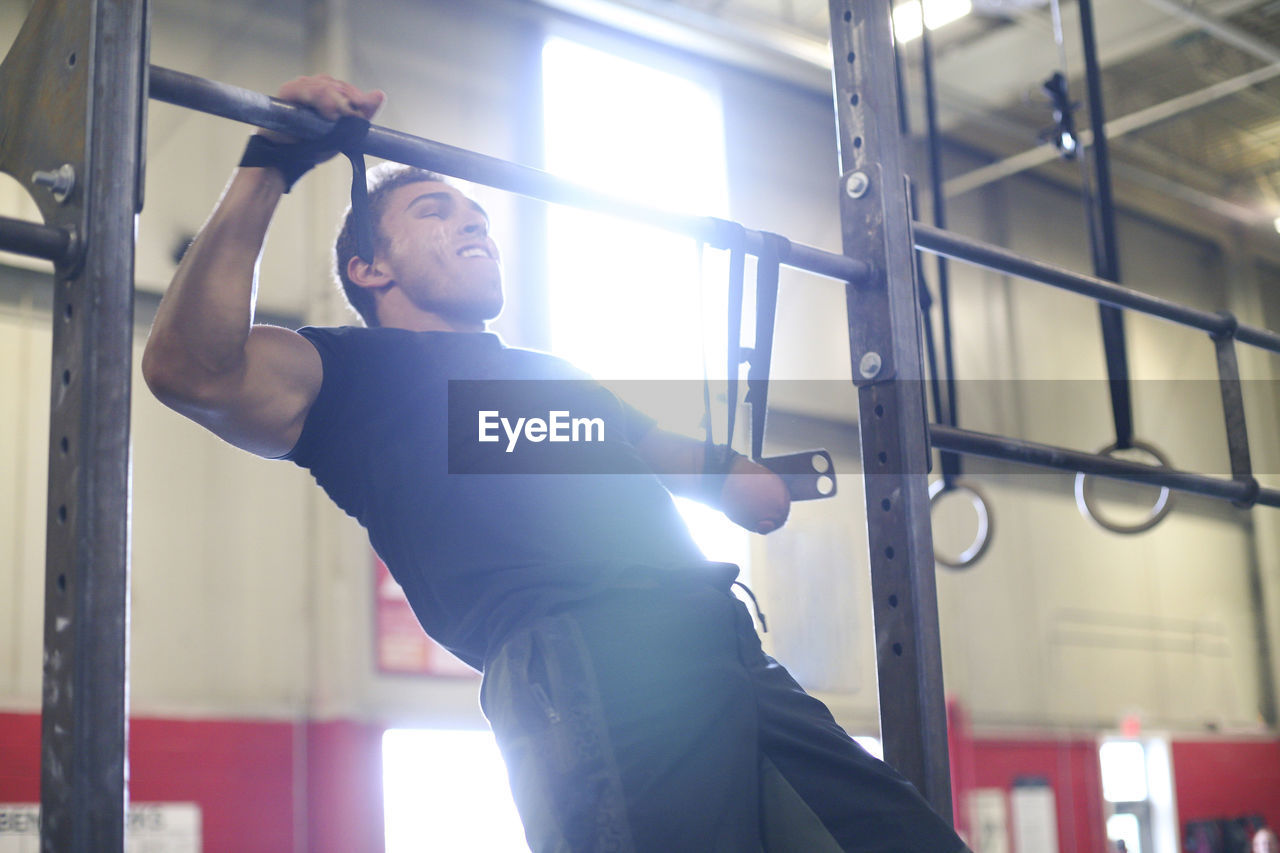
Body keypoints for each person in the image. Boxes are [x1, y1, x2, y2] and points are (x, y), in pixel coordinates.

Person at [143, 74, 969, 852]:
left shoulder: (549, 375)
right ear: (370, 268)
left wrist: (731, 472)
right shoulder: (354, 375)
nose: (476, 225)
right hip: (582, 662)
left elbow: (654, 452)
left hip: (719, 641)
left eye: (479, 216)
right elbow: (191, 370)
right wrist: (272, 162)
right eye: (439, 211)